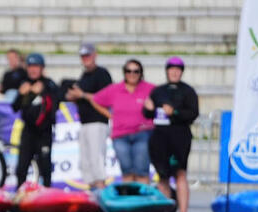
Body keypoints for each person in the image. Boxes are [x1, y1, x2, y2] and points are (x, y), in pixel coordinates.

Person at [143, 56, 199, 212]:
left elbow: (193, 114)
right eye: (171, 69)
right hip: (160, 137)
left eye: (177, 70)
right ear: (167, 71)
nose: (174, 72)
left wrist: (174, 112)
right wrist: (148, 108)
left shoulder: (188, 91)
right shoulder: (158, 91)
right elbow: (148, 113)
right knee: (163, 175)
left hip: (179, 137)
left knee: (180, 173)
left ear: (181, 72)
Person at [92, 59, 155, 183]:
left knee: (142, 171)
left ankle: (142, 196)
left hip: (143, 134)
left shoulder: (150, 88)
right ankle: (130, 196)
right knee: (127, 172)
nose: (132, 74)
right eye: (128, 71)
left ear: (141, 73)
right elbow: (95, 99)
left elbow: (164, 99)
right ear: (124, 73)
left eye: (136, 71)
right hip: (120, 136)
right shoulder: (115, 89)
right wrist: (109, 115)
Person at [65, 43, 112, 189]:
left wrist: (82, 95)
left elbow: (106, 98)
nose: (85, 59)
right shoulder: (84, 76)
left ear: (95, 55)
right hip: (85, 122)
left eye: (88, 55)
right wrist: (74, 96)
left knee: (96, 159)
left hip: (97, 122)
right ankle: (93, 192)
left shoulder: (102, 74)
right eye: (83, 56)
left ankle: (101, 192)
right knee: (86, 162)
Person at [12, 53, 60, 187]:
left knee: (45, 167)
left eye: (36, 66)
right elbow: (15, 107)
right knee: (21, 168)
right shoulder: (24, 84)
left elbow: (56, 103)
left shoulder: (49, 84)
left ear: (42, 68)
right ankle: (20, 194)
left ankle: (47, 195)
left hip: (44, 133)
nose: (33, 70)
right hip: (28, 132)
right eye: (30, 66)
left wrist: (41, 92)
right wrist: (22, 94)